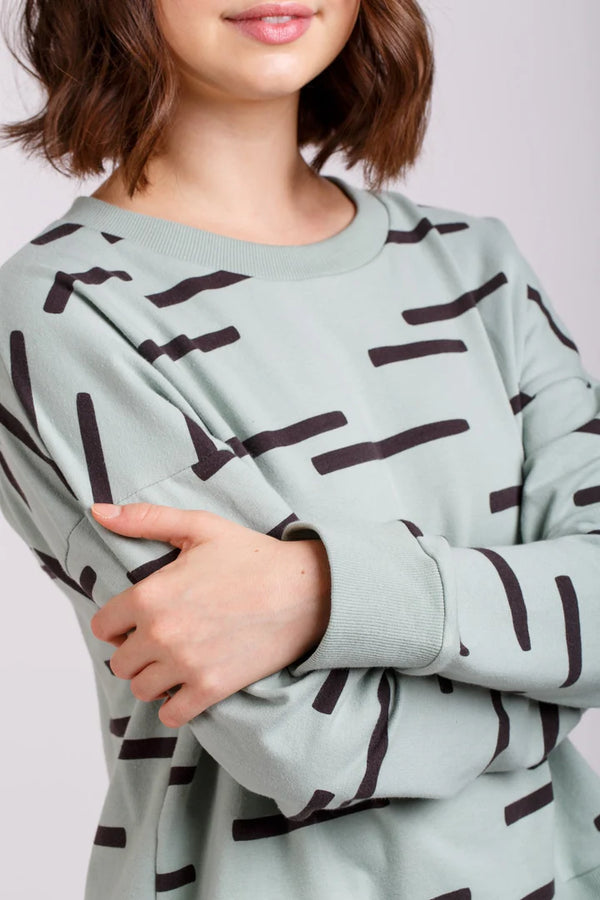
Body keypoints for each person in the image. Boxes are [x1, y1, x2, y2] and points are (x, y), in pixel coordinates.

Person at [0, 0, 599, 897]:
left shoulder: (477, 265)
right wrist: (549, 666)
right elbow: (312, 745)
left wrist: (319, 590)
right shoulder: (64, 312)